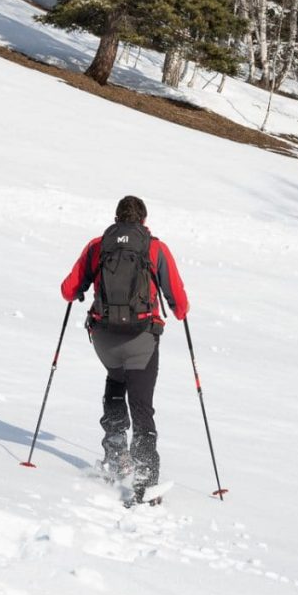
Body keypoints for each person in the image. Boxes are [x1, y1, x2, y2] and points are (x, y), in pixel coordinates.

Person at [60, 195, 188, 502]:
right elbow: (180, 305)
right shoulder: (154, 247)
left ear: (116, 218)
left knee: (116, 381)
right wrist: (177, 310)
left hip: (105, 339)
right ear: (143, 220)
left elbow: (68, 290)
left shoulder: (98, 245)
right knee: (141, 405)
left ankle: (115, 455)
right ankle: (144, 478)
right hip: (141, 339)